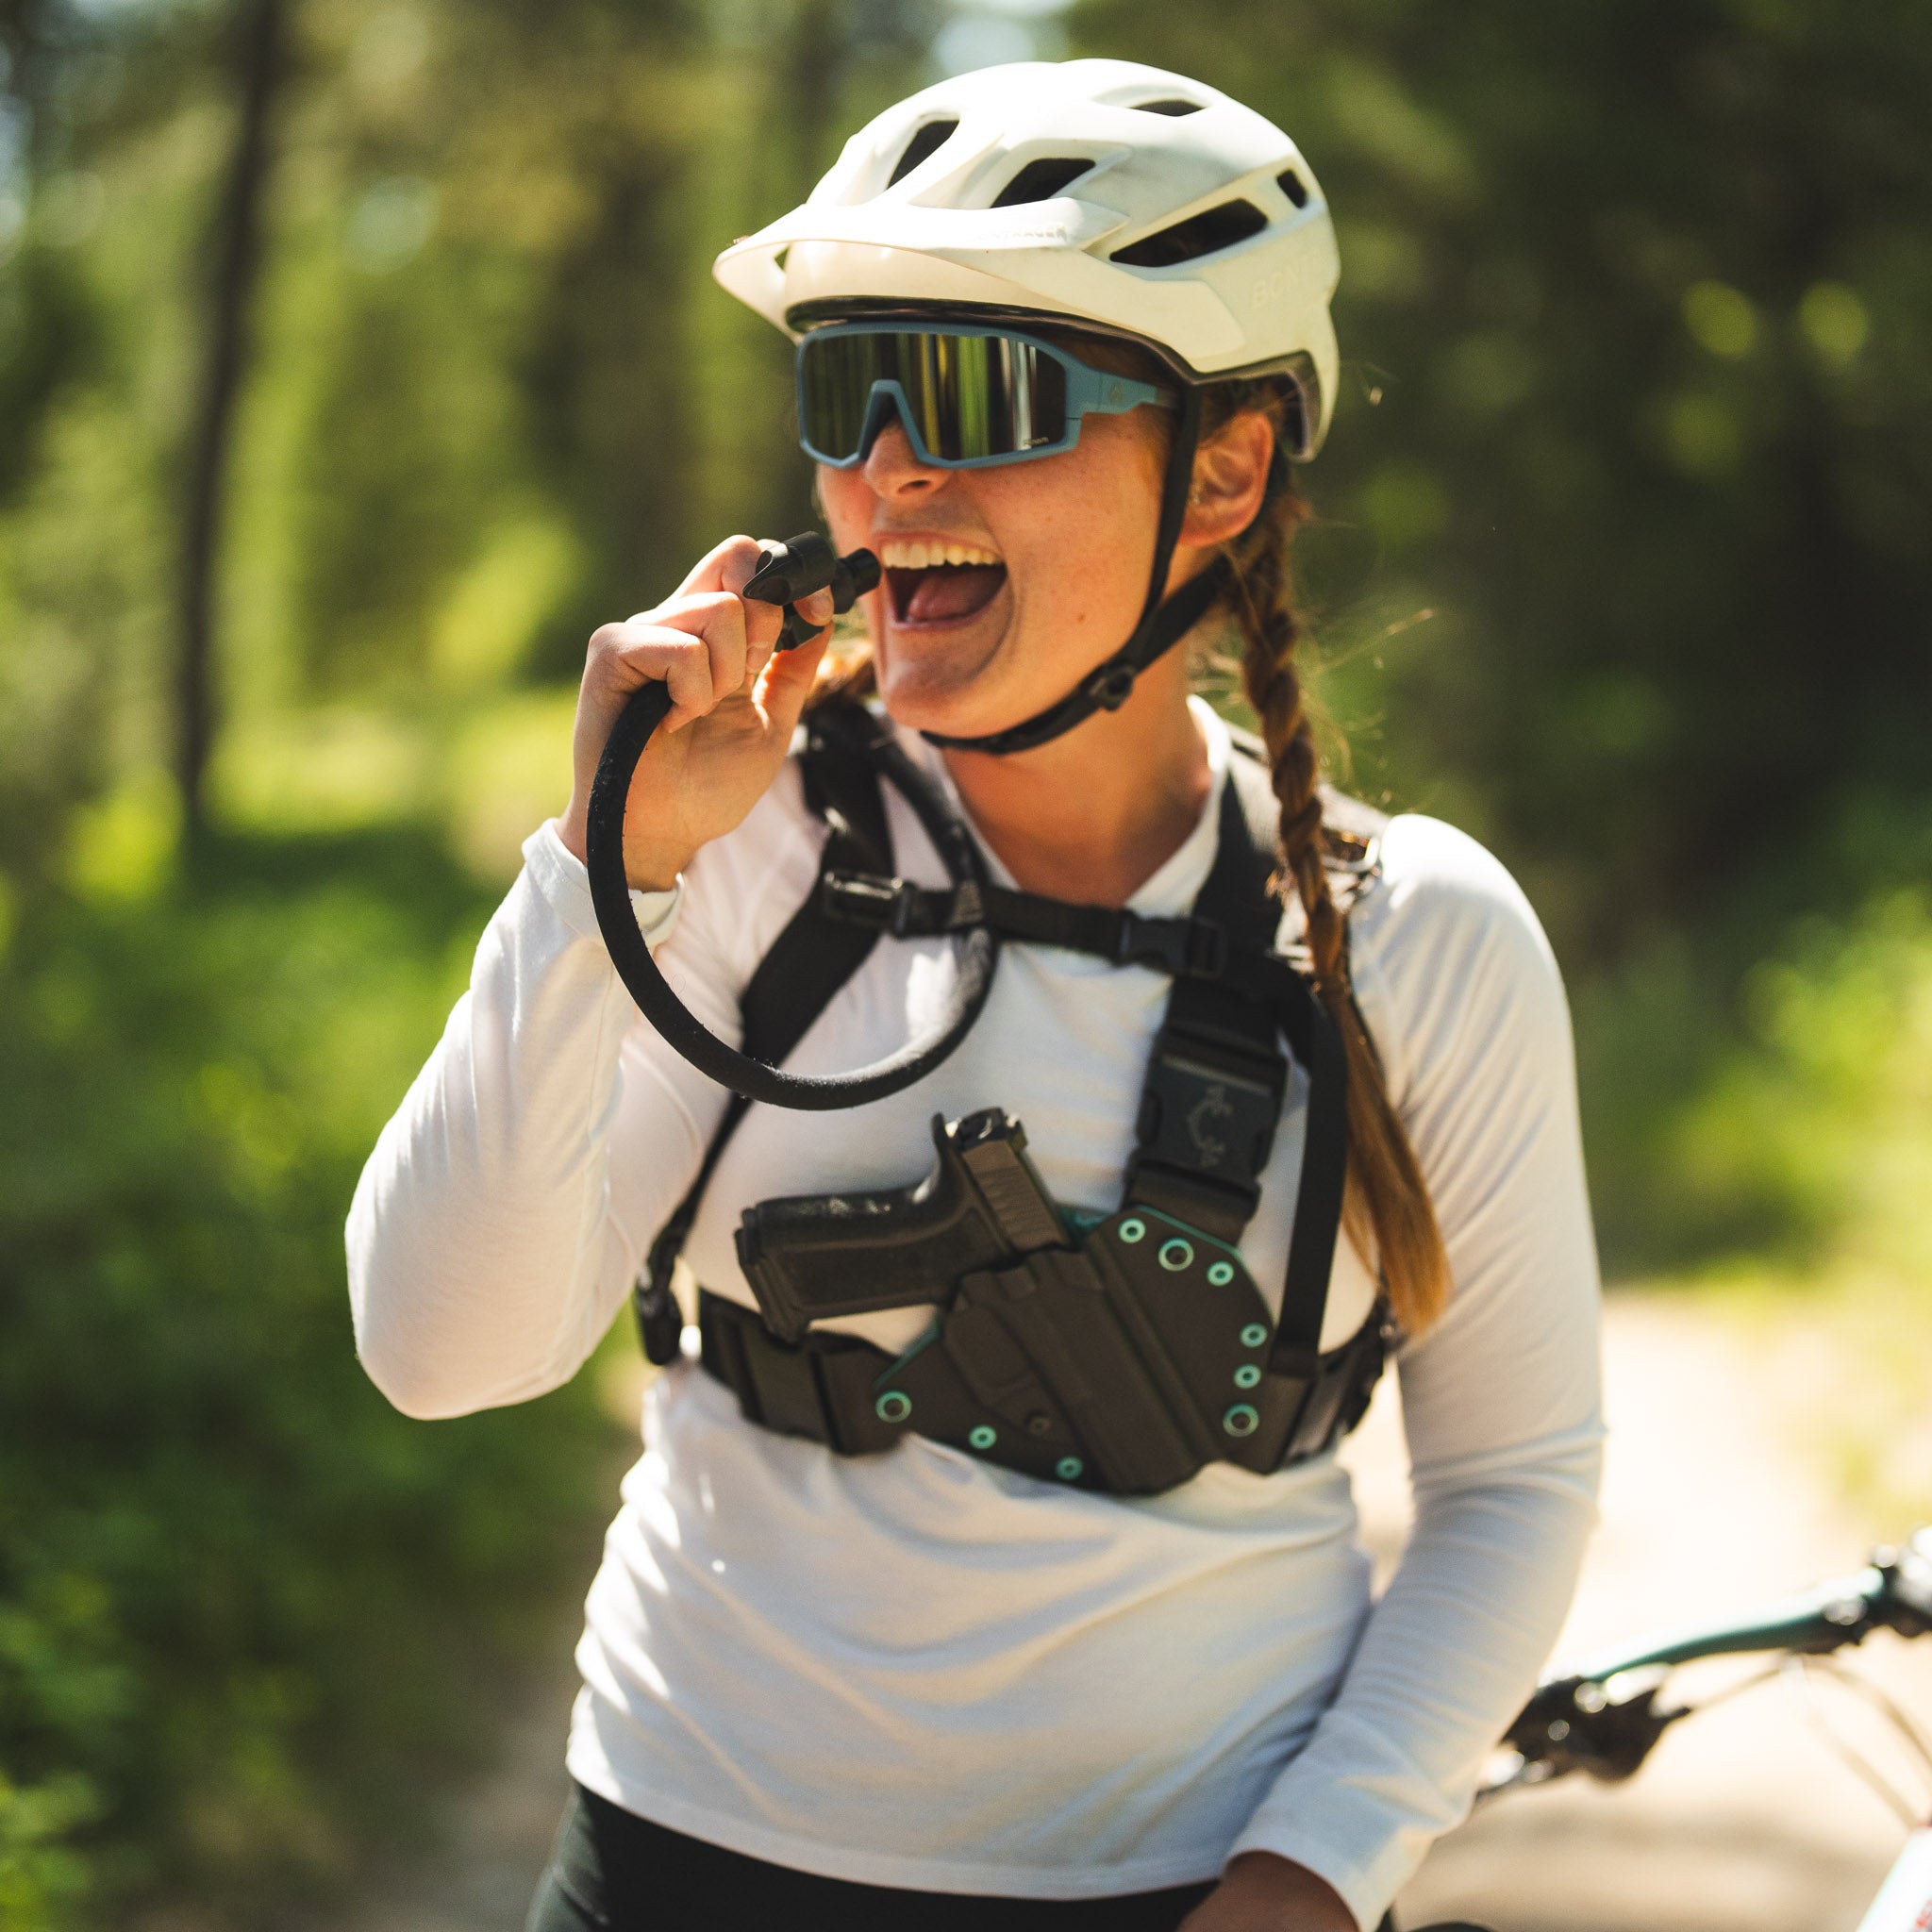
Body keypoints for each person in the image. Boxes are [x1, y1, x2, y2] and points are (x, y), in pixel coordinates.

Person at [348, 58, 1604, 1932]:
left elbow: (1513, 1477)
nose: (884, 469)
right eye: (841, 393)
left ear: (1226, 470)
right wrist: (601, 859)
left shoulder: (1413, 932)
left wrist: (1315, 1874)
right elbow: (440, 1351)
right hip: (685, 1865)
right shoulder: (742, 848)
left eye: (970, 392)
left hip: (1200, 1886)